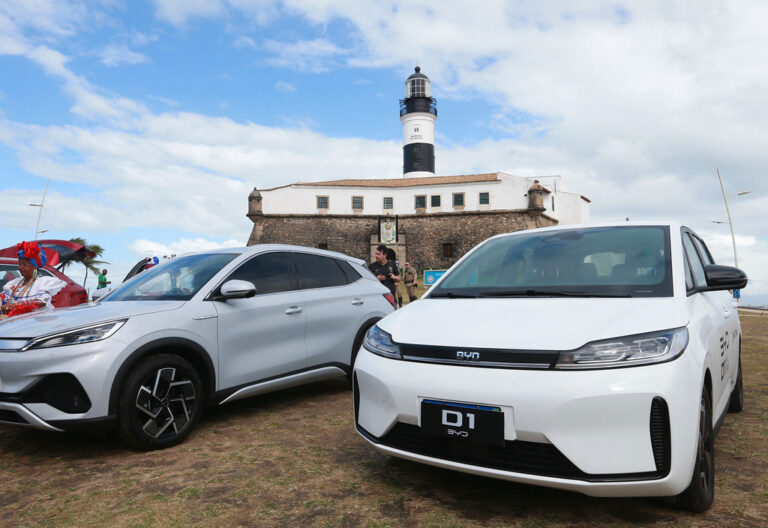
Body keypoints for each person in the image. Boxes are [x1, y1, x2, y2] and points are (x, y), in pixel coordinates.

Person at [0, 241, 66, 318]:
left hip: (36, 321)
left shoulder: (43, 282)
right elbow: (3, 297)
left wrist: (16, 305)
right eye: (20, 264)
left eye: (25, 264)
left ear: (34, 267)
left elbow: (41, 302)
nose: (20, 267)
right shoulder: (14, 283)